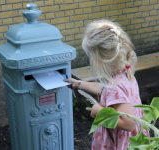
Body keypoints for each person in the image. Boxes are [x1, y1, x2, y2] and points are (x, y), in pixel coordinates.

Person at [64, 20, 149, 150]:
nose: (90, 61)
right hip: (131, 139)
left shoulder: (115, 87)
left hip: (119, 143)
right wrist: (78, 84)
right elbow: (103, 89)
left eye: (90, 56)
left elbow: (128, 124)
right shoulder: (124, 72)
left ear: (101, 59)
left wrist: (98, 110)